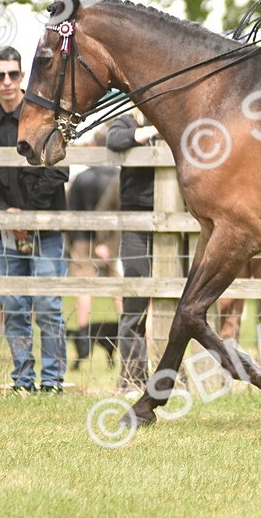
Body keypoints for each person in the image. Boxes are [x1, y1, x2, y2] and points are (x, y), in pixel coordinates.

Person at [0, 46, 69, 394]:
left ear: (23, 76)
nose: (8, 82)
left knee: (47, 305)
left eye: (14, 74)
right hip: (8, 230)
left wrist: (29, 213)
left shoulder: (45, 117)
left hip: (46, 227)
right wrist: (5, 213)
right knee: (14, 306)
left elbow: (58, 171)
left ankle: (53, 380)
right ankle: (22, 380)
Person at [106, 111, 157, 393]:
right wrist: (148, 132)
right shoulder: (127, 119)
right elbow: (114, 139)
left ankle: (177, 375)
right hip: (137, 217)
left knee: (179, 301)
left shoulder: (173, 112)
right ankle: (132, 377)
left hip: (180, 215)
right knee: (135, 299)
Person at [65, 129, 119, 333]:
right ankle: (126, 330)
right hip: (112, 238)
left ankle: (83, 331)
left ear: (92, 146)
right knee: (120, 286)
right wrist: (104, 240)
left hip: (81, 239)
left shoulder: (81, 178)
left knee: (84, 285)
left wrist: (71, 240)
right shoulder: (117, 176)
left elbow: (70, 208)